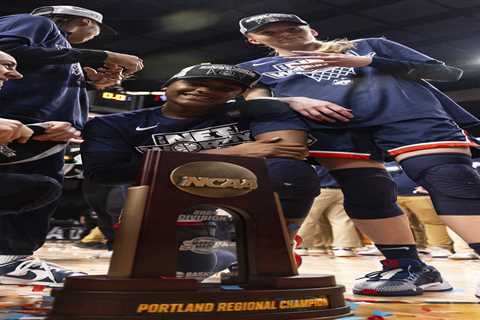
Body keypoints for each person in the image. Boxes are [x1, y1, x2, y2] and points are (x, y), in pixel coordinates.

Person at [237, 13, 480, 297]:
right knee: (366, 194)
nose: (283, 34)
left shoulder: (369, 45)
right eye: (270, 32)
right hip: (333, 125)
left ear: (312, 29)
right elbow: (256, 103)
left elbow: (446, 72)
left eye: (291, 28)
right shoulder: (253, 68)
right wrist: (292, 100)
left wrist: (369, 61)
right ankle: (408, 267)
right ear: (253, 40)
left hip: (407, 113)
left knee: (451, 181)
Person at [81, 63, 321, 279]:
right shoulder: (111, 124)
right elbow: (104, 173)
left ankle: (278, 243)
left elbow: (287, 149)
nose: (205, 90)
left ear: (236, 96)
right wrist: (231, 153)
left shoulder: (258, 111)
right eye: (195, 83)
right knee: (182, 273)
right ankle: (229, 254)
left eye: (223, 88)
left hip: (229, 190)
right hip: (158, 197)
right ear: (168, 85)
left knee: (292, 172)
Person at [0, 5, 143, 287]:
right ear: (84, 21)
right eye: (96, 30)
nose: (95, 36)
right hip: (21, 124)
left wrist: (89, 81)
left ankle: (14, 258)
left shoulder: (62, 51)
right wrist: (101, 55)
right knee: (29, 190)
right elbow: (7, 53)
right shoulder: (36, 25)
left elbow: (36, 75)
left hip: (47, 129)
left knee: (36, 195)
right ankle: (11, 259)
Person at [297, 166, 363, 257]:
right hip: (341, 190)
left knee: (309, 218)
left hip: (320, 190)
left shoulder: (318, 158)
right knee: (341, 220)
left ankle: (301, 246)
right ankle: (343, 247)